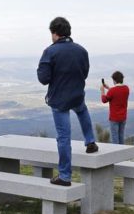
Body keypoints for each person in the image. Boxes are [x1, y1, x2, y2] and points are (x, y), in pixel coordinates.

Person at [37, 16, 98, 186]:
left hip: (59, 99)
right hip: (77, 94)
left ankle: (65, 176)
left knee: (63, 137)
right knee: (82, 111)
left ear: (54, 33)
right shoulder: (81, 50)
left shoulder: (50, 52)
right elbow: (84, 72)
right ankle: (90, 141)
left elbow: (43, 78)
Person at [100, 71, 130, 144]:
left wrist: (102, 91)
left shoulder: (112, 91)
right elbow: (117, 93)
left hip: (114, 118)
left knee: (115, 137)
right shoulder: (126, 88)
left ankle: (116, 153)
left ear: (114, 80)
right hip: (123, 117)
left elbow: (104, 100)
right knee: (121, 136)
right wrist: (108, 88)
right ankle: (122, 153)